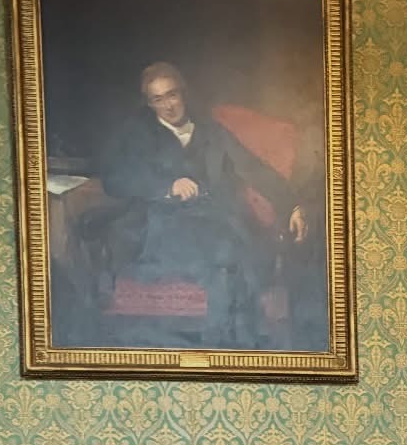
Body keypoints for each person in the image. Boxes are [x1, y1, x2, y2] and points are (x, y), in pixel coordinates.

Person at [100, 62, 314, 344]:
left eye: (172, 95)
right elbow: (114, 178)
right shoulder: (137, 133)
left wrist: (292, 205)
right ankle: (218, 340)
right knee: (221, 258)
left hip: (217, 219)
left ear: (183, 94)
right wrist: (166, 186)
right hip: (163, 226)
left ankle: (229, 345)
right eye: (158, 99)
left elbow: (253, 168)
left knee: (233, 254)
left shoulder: (210, 131)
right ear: (149, 103)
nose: (168, 106)